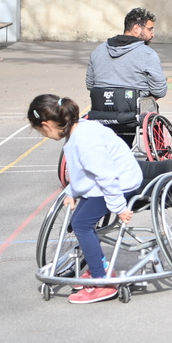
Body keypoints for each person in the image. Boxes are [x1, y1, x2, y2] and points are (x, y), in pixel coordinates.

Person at [28, 94, 143, 304]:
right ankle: (99, 266)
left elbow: (106, 176)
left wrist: (119, 207)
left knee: (81, 224)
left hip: (119, 183)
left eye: (41, 131)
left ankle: (102, 281)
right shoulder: (78, 129)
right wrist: (72, 192)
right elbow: (83, 172)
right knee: (79, 221)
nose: (43, 135)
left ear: (47, 125)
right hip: (104, 181)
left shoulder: (84, 140)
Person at [85, 7, 167, 145]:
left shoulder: (98, 50)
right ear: (136, 28)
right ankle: (159, 151)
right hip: (132, 113)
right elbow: (159, 91)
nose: (152, 34)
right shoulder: (147, 54)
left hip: (100, 112)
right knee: (151, 110)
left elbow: (90, 85)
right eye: (150, 29)